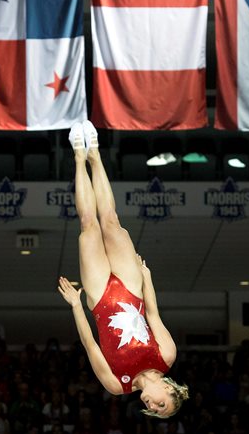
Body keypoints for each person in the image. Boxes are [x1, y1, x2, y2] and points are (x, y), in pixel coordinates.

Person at [57, 120, 188, 418]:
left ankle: (78, 157)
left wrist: (76, 305)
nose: (151, 406)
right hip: (131, 288)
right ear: (169, 389)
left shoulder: (117, 384)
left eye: (154, 411)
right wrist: (147, 279)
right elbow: (153, 314)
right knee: (111, 221)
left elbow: (90, 345)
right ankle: (96, 156)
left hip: (100, 297)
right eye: (161, 405)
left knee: (88, 226)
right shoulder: (167, 355)